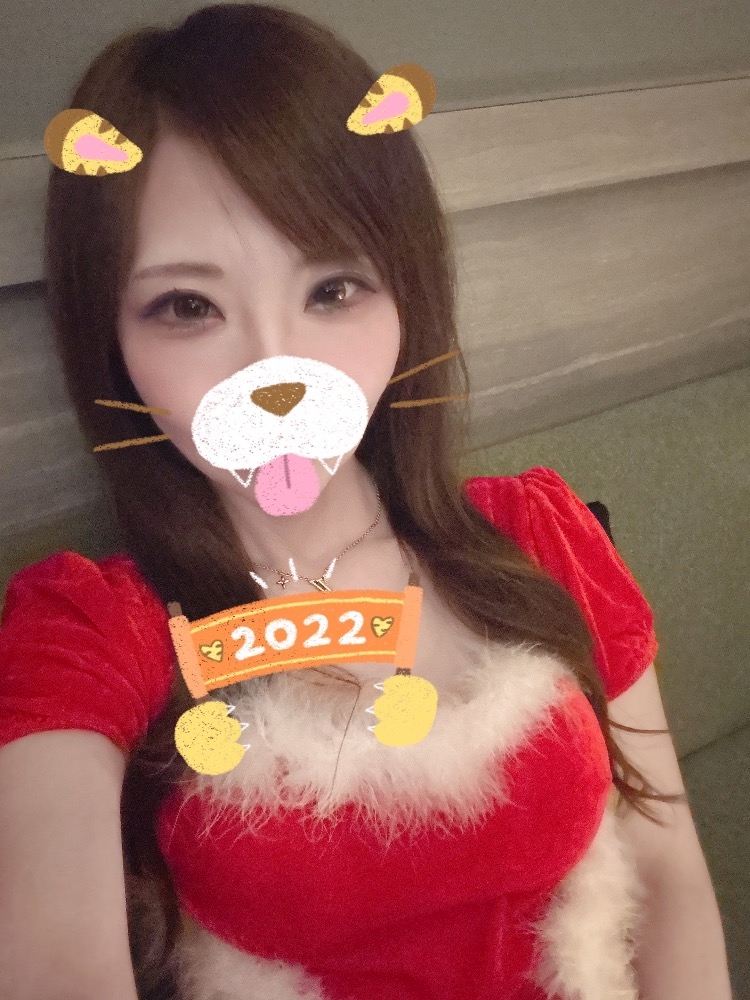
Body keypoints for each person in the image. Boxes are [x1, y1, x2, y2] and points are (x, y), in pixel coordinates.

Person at [0, 5, 702, 1000]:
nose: (275, 371)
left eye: (332, 290)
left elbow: (668, 869)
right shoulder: (91, 631)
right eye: (188, 306)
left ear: (408, 295)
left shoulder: (540, 536)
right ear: (111, 340)